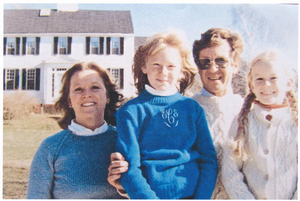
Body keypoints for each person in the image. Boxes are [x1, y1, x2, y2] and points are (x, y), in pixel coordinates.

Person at [108, 28, 245, 199]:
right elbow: (129, 169)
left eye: (171, 66)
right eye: (156, 65)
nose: (163, 72)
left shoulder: (192, 108)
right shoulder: (131, 112)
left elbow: (208, 161)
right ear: (144, 66)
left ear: (181, 71)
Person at [26, 62, 125, 199]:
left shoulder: (125, 142)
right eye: (78, 89)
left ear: (107, 96)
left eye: (95, 87)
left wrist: (125, 189)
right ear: (69, 101)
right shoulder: (50, 148)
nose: (87, 94)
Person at [221, 50, 298, 199]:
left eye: (273, 78)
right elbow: (230, 173)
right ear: (251, 85)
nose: (266, 84)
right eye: (260, 79)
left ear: (288, 83)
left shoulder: (295, 122)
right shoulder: (241, 123)